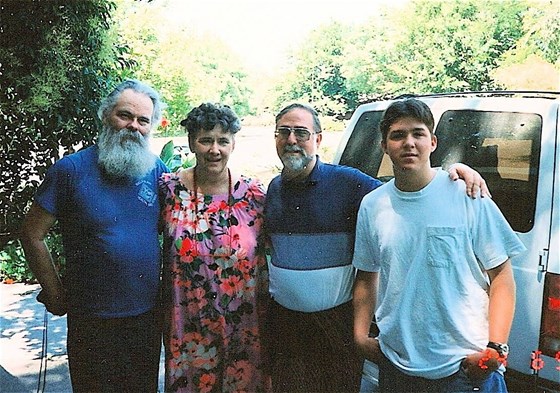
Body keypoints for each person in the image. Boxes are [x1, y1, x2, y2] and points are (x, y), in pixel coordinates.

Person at [264, 102, 489, 393]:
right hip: (286, 324)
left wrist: (452, 173)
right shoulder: (271, 189)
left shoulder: (346, 183)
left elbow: (407, 189)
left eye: (301, 132)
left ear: (318, 139)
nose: (292, 140)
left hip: (335, 324)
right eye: (284, 132)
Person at [352, 98, 525, 393]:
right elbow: (367, 277)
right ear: (384, 146)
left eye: (417, 134)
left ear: (432, 142)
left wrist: (495, 350)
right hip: (397, 367)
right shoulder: (372, 205)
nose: (409, 143)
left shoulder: (467, 194)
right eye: (398, 135)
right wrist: (359, 336)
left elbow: (502, 276)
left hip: (466, 370)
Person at [20, 79, 168, 393]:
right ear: (105, 115)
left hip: (145, 317)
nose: (134, 126)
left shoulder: (156, 169)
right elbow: (32, 234)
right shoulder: (70, 170)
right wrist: (55, 293)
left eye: (143, 120)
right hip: (91, 319)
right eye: (125, 115)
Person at [159, 103, 269, 392]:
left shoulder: (254, 195)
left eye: (223, 141)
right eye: (205, 140)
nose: (214, 149)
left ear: (233, 143)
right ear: (191, 143)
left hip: (243, 326)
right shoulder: (169, 191)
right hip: (188, 325)